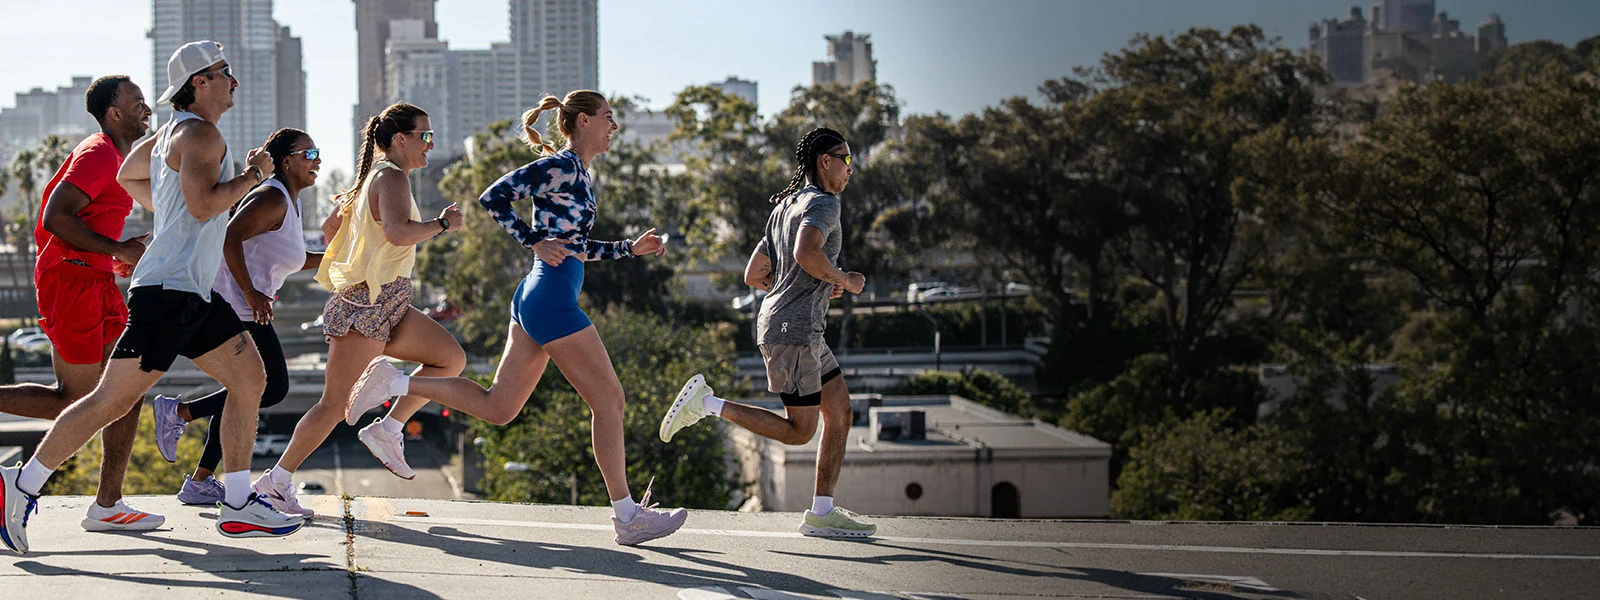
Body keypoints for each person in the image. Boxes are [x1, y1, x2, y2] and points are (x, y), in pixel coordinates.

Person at [1, 41, 306, 554]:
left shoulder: (170, 133)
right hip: (168, 292)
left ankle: (236, 505)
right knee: (106, 401)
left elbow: (129, 175)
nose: (233, 80)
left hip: (187, 290)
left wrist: (168, 215)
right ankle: (20, 485)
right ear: (199, 83)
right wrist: (255, 175)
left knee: (251, 377)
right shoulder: (203, 135)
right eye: (223, 72)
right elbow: (206, 203)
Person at [343, 91, 685, 545]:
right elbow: (495, 197)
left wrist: (629, 249)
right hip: (549, 299)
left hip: (542, 294)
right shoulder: (562, 166)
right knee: (610, 401)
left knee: (499, 408)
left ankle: (395, 389)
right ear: (583, 122)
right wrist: (532, 241)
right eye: (608, 118)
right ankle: (627, 516)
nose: (614, 127)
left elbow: (573, 247)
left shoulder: (577, 172)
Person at [659, 127, 876, 538]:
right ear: (825, 162)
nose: (851, 168)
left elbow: (755, 274)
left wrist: (810, 281)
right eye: (845, 159)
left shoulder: (785, 206)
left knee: (841, 412)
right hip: (794, 333)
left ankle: (822, 512)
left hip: (800, 329)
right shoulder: (825, 204)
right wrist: (843, 279)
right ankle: (707, 404)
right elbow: (805, 254)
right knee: (800, 431)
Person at [252, 103, 466, 517]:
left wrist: (355, 246)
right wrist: (441, 224)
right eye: (424, 135)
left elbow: (332, 227)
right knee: (334, 406)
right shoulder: (390, 176)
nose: (431, 143)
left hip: (389, 300)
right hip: (367, 304)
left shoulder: (376, 177)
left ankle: (388, 425)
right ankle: (274, 482)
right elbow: (399, 232)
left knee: (450, 359)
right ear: (400, 140)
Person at [0, 75, 162, 533]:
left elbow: (92, 223)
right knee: (75, 399)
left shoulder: (120, 157)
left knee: (127, 390)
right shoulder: (98, 153)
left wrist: (116, 256)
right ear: (114, 113)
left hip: (96, 280)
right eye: (138, 104)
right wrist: (118, 250)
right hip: (69, 283)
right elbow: (56, 217)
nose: (146, 110)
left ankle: (108, 505)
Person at [148, 128, 324, 506]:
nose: (317, 161)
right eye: (309, 154)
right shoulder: (271, 198)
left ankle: (200, 480)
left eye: (318, 153)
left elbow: (296, 259)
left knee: (243, 392)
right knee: (270, 389)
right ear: (286, 161)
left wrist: (337, 261)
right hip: (231, 305)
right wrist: (250, 292)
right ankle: (179, 411)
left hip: (245, 307)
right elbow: (228, 237)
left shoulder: (288, 203)